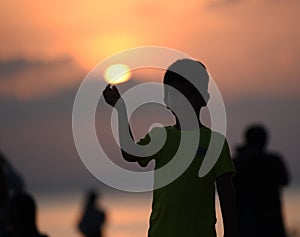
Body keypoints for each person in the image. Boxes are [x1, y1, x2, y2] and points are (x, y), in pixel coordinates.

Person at [103, 58, 236, 237]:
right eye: (176, 93)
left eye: (190, 92)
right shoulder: (161, 136)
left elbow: (227, 196)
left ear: (204, 98)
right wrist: (120, 108)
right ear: (166, 100)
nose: (184, 100)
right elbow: (129, 153)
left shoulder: (215, 142)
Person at [232, 125, 290, 237]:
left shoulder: (237, 163)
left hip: (244, 226)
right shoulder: (273, 161)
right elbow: (285, 180)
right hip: (270, 226)